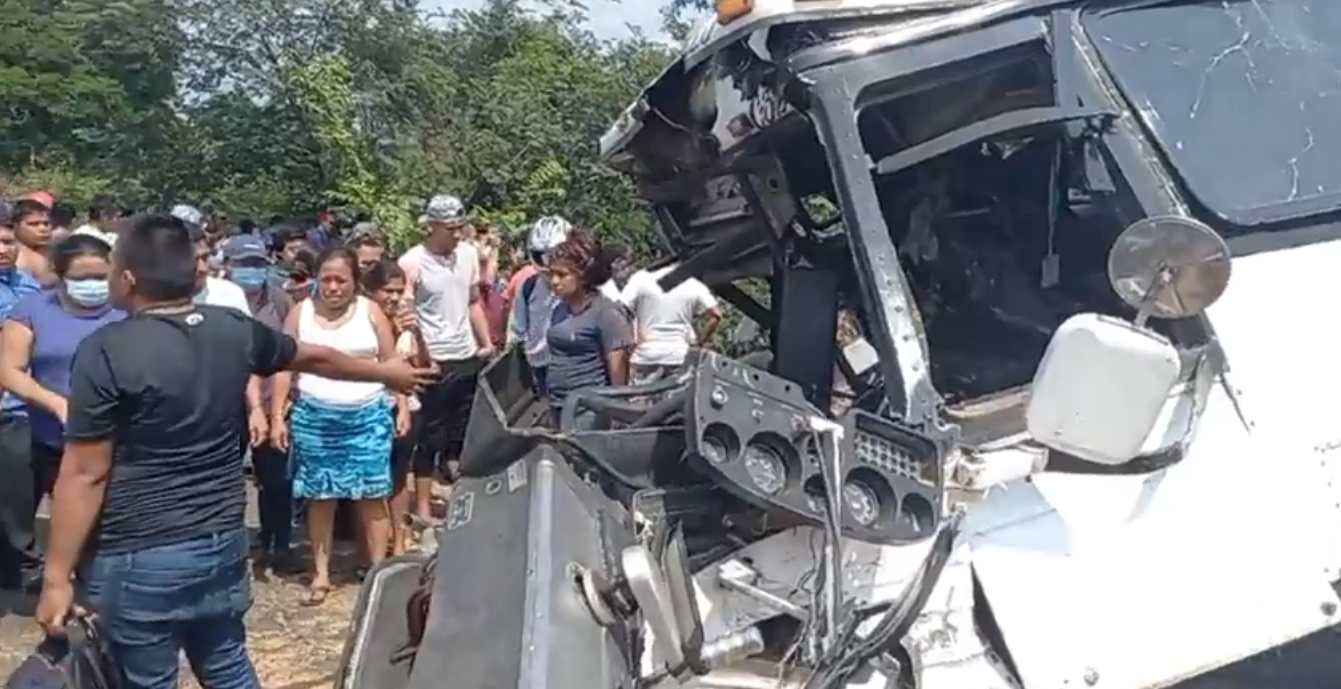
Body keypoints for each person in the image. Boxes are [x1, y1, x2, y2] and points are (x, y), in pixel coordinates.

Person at [34, 213, 433, 689]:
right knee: (227, 667)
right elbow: (315, 356)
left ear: (128, 277)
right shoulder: (232, 329)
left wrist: (57, 576)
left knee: (148, 678)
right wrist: (386, 374)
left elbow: (85, 473)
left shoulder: (106, 350)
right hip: (221, 547)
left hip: (141, 551)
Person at [270, 248, 410, 605]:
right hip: (314, 417)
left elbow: (392, 362)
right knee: (320, 497)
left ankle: (377, 572)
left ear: (354, 282)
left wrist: (403, 404)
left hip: (368, 414)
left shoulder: (371, 311)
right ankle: (320, 574)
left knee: (372, 494)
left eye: (341, 280)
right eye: (326, 279)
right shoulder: (300, 314)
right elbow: (285, 367)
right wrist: (276, 417)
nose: (333, 287)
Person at [0, 235, 125, 578]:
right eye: (82, 278)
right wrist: (55, 403)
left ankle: (88, 583)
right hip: (40, 429)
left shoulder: (126, 310)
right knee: (15, 510)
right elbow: (9, 369)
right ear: (60, 273)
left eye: (100, 277)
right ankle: (28, 571)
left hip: (107, 436)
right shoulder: (33, 309)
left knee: (94, 517)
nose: (93, 286)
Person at [399, 194, 495, 494]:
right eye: (450, 228)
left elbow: (473, 301)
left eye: (459, 227)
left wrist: (486, 342)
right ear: (432, 227)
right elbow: (405, 313)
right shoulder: (412, 262)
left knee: (462, 424)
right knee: (431, 431)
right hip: (433, 356)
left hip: (465, 351)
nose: (457, 234)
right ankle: (423, 496)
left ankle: (456, 479)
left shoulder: (466, 255)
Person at [222, 235, 300, 573]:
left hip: (272, 403)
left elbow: (289, 351)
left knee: (277, 479)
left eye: (256, 265)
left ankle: (278, 544)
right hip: (224, 405)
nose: (251, 272)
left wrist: (283, 406)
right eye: (243, 265)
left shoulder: (279, 300)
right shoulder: (217, 298)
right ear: (227, 266)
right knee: (224, 477)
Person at [362, 260, 427, 554]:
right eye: (388, 291)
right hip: (368, 405)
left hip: (404, 406)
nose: (394, 298)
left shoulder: (406, 325)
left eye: (399, 292)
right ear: (371, 291)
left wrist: (418, 334)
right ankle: (373, 544)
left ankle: (399, 539)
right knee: (370, 479)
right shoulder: (362, 323)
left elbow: (424, 367)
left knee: (399, 476)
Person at [544, 229, 635, 427]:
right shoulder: (560, 310)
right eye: (551, 274)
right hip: (558, 405)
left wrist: (617, 414)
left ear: (582, 276)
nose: (554, 281)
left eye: (562, 275)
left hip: (588, 412)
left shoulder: (606, 314)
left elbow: (619, 374)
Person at [0, 203, 46, 591]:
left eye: (8, 241)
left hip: (19, 405)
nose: (4, 249)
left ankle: (16, 560)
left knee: (19, 489)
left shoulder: (28, 285)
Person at [620, 262, 722, 384]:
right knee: (676, 399)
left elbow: (621, 310)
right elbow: (716, 315)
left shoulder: (641, 278)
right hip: (678, 356)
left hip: (646, 355)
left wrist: (631, 339)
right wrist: (700, 342)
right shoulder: (692, 284)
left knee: (639, 399)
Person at [507, 216, 570, 394]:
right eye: (542, 256)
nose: (548, 263)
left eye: (554, 255)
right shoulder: (528, 287)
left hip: (571, 362)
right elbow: (517, 330)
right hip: (540, 365)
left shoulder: (581, 286)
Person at [187, 220, 251, 315]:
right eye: (193, 260)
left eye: (205, 258)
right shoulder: (158, 299)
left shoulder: (230, 294)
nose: (203, 268)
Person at [12, 199, 56, 286]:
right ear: (15, 226)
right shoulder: (12, 257)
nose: (43, 229)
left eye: (46, 223)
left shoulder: (56, 252)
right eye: (34, 224)